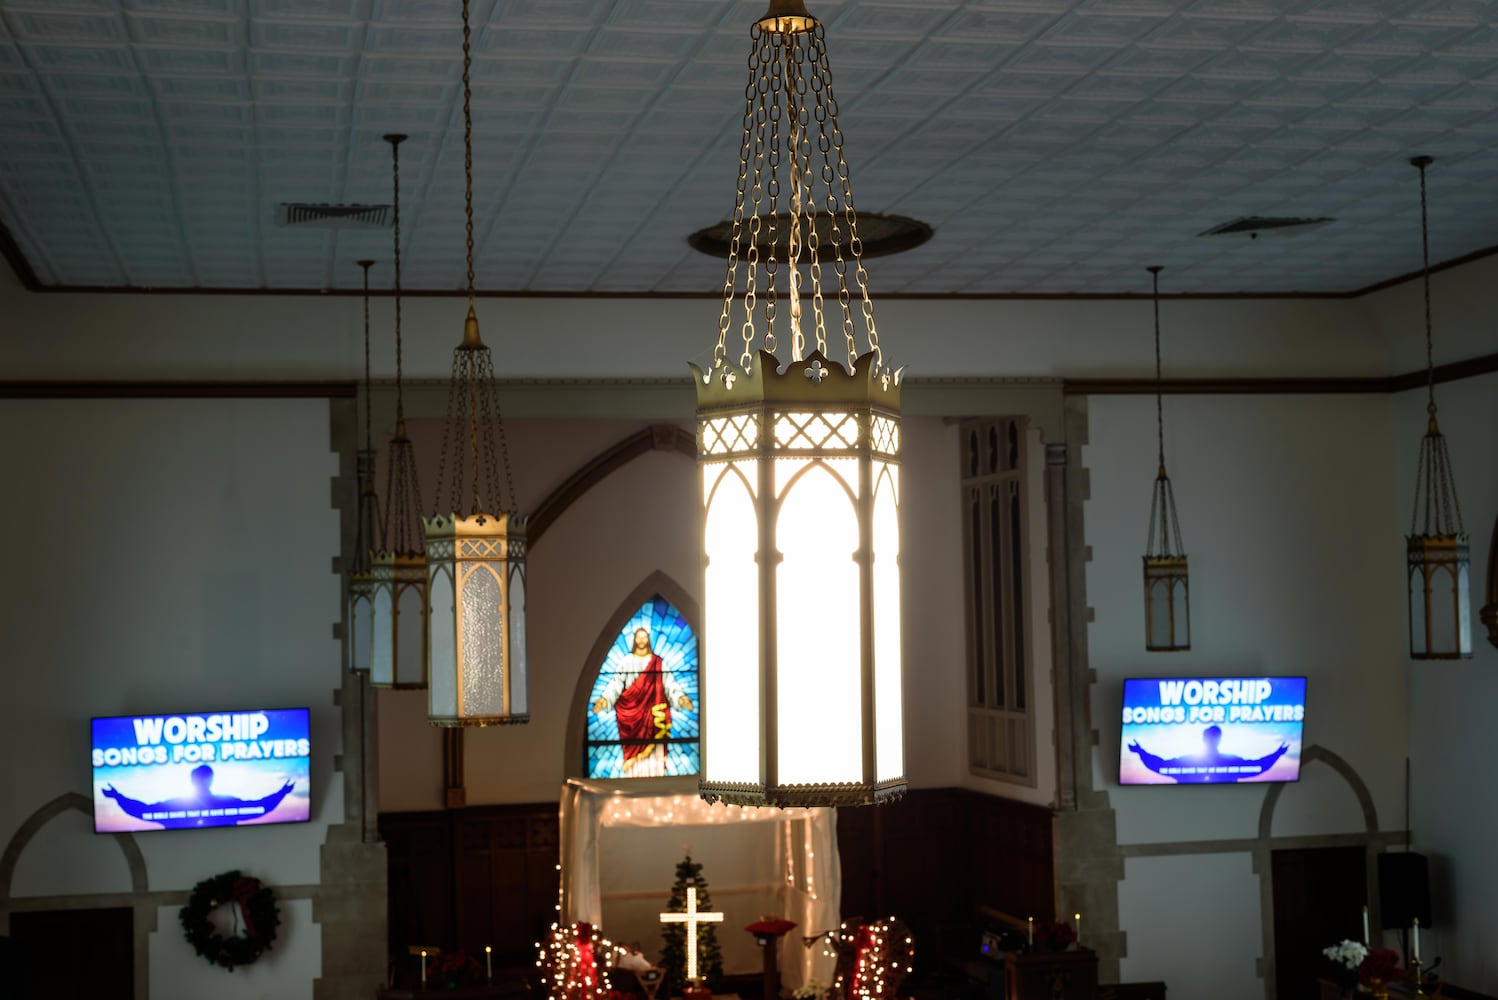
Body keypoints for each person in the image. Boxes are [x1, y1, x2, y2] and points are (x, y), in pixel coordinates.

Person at [592, 627, 693, 777]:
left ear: (648, 640)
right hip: (631, 717)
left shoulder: (658, 663)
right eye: (638, 637)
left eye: (644, 637)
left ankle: (657, 777)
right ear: (634, 640)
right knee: (634, 760)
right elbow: (616, 684)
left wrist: (680, 698)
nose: (641, 640)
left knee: (655, 750)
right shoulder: (626, 662)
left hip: (653, 715)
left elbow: (670, 684)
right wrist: (605, 700)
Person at [103, 764, 295, 828]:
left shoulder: (225, 803)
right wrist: (118, 796)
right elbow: (144, 811)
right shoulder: (176, 806)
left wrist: (281, 793)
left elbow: (258, 808)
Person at [1127, 725, 1288, 784]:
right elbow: (1161, 766)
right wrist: (1141, 752)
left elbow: (1257, 767)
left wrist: (1278, 754)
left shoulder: (1230, 762)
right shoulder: (1188, 762)